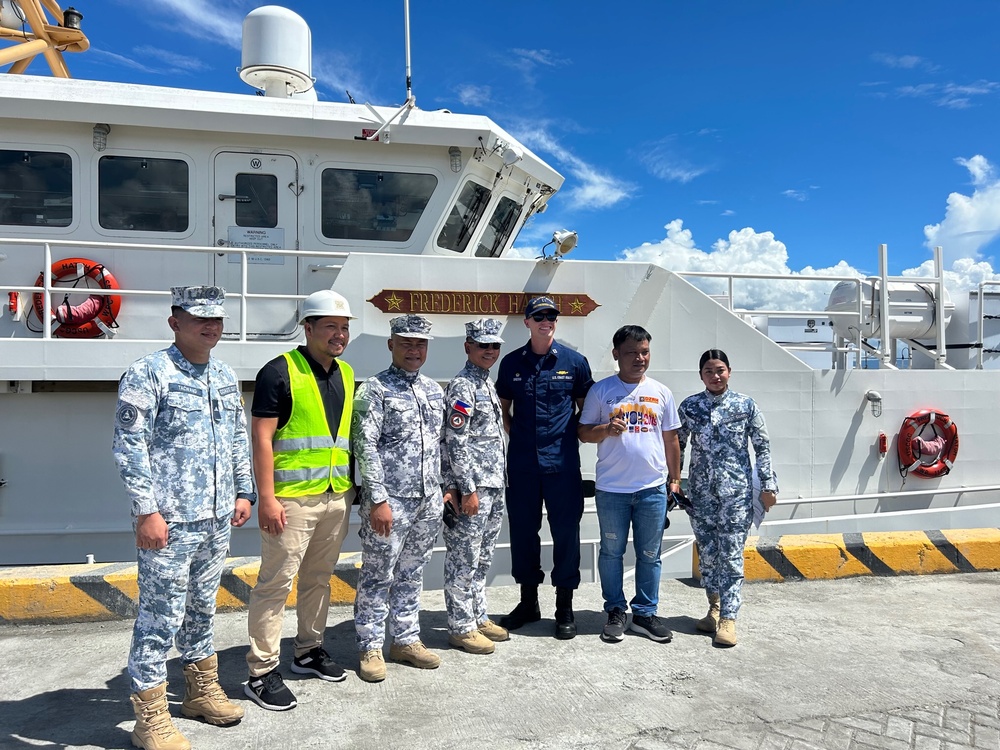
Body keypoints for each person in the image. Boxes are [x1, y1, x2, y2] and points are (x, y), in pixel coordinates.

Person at [113, 286, 254, 750]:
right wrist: (146, 511)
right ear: (175, 322)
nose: (210, 327)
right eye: (199, 319)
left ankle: (199, 691)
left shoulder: (224, 375)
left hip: (215, 518)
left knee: (201, 608)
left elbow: (236, 437)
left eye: (216, 320)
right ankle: (150, 718)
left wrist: (242, 491)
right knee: (160, 616)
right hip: (169, 522)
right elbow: (129, 448)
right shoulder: (148, 373)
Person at [244, 290, 357, 711]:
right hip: (291, 502)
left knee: (319, 579)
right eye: (330, 326)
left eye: (344, 327)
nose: (339, 335)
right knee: (275, 585)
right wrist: (266, 499)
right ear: (307, 328)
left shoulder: (345, 373)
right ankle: (261, 672)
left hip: (335, 496)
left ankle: (308, 650)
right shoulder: (279, 372)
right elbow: (262, 438)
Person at [352, 314, 447, 681]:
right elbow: (365, 445)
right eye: (406, 342)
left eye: (420, 344)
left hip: (427, 500)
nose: (413, 349)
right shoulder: (374, 390)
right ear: (391, 344)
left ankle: (405, 639)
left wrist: (443, 490)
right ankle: (369, 645)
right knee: (378, 574)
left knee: (412, 572)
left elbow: (441, 445)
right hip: (390, 501)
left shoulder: (434, 390)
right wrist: (377, 499)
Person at [495, 296, 594, 639]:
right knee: (523, 533)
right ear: (527, 322)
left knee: (566, 534)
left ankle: (563, 606)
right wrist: (522, 438)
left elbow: (587, 410)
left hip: (563, 464)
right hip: (522, 465)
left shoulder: (575, 362)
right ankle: (528, 602)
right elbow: (503, 412)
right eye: (539, 316)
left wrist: (563, 435)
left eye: (551, 316)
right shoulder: (510, 364)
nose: (545, 321)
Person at [578, 325, 682, 644]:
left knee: (650, 554)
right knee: (612, 552)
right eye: (632, 352)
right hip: (612, 490)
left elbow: (671, 439)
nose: (639, 358)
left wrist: (674, 481)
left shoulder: (661, 392)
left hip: (651, 489)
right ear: (616, 355)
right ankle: (615, 610)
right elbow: (583, 432)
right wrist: (605, 430)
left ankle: (645, 613)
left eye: (645, 352)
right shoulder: (601, 391)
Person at [677, 349, 778, 648]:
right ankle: (714, 607)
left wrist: (768, 486)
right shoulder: (690, 407)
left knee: (731, 556)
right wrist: (674, 483)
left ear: (729, 372)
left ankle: (729, 619)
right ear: (701, 376)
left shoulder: (745, 406)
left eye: (720, 370)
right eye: (709, 371)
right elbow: (677, 446)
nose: (715, 376)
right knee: (708, 555)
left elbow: (762, 446)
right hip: (701, 495)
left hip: (736, 494)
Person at [442, 318, 510, 655]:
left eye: (495, 345)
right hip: (475, 488)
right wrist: (466, 489)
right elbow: (455, 440)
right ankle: (460, 626)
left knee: (482, 558)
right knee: (463, 558)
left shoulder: (487, 384)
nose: (490, 351)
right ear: (468, 346)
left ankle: (477, 614)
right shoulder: (463, 386)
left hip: (494, 484)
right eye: (483, 345)